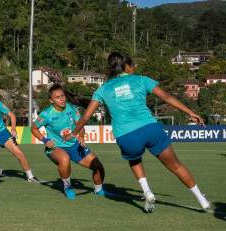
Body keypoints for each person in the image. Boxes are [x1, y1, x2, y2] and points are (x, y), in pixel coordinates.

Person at [65, 52, 210, 212]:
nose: (134, 68)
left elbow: (86, 116)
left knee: (134, 160)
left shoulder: (103, 89)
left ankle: (147, 190)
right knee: (176, 166)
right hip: (150, 128)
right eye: (132, 65)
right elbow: (167, 97)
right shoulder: (142, 79)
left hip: (126, 135)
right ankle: (201, 199)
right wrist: (190, 112)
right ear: (126, 66)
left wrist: (74, 132)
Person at [31, 84, 107, 200]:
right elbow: (33, 128)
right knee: (65, 159)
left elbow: (80, 125)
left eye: (62, 96)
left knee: (98, 166)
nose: (61, 99)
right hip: (56, 147)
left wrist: (81, 136)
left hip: (74, 145)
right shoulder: (46, 114)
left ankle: (98, 189)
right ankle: (67, 186)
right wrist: (45, 140)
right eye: (57, 97)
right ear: (51, 100)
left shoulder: (72, 108)